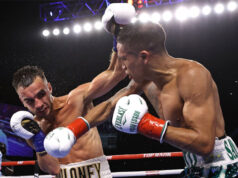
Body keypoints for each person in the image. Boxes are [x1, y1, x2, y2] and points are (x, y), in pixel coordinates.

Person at [45, 21, 238, 177]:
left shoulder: (192, 76)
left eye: (124, 59)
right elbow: (111, 105)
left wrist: (146, 125)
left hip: (222, 165)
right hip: (192, 166)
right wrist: (73, 130)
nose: (121, 67)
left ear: (144, 57)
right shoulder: (145, 80)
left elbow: (204, 145)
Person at [10, 50, 126, 177]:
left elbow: (117, 73)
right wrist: (38, 139)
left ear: (49, 88)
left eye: (41, 95)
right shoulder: (33, 128)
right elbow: (53, 169)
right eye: (30, 101)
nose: (38, 105)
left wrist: (117, 39)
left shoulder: (77, 99)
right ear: (22, 101)